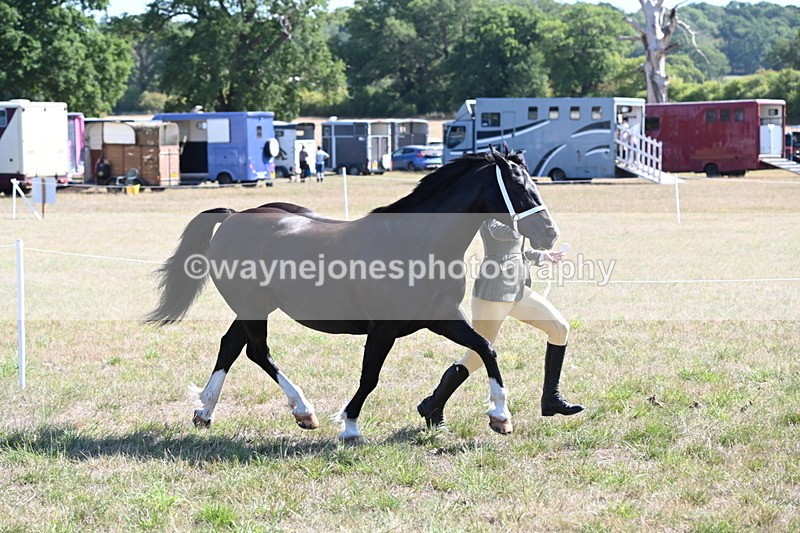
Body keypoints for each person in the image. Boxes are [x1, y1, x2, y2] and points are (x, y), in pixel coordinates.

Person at [417, 218, 584, 429]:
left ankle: (551, 398)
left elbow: (517, 252)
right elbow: (499, 232)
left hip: (518, 290)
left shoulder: (518, 213)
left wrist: (543, 255)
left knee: (560, 328)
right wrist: (525, 222)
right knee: (476, 358)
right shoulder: (492, 212)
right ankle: (432, 404)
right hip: (493, 294)